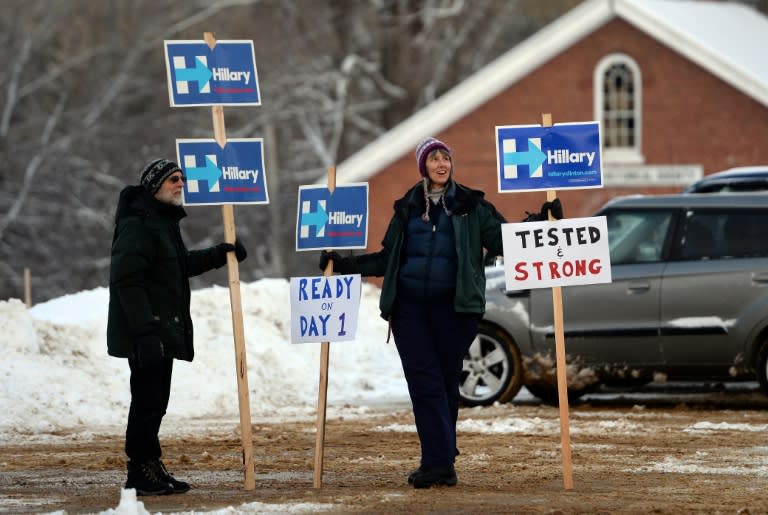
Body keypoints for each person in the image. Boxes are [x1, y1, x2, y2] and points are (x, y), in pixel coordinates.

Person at [319, 137, 561, 489]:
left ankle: (440, 462)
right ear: (424, 167)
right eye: (433, 158)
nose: (441, 163)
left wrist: (542, 221)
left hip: (455, 310)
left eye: (446, 157)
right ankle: (438, 461)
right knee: (425, 382)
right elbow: (388, 258)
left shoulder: (472, 206)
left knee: (446, 385)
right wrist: (344, 264)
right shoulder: (407, 207)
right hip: (409, 310)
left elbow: (505, 241)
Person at [107, 158, 247, 496]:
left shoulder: (161, 223)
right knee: (146, 400)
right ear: (154, 186)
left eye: (181, 179)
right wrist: (145, 331)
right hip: (147, 332)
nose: (180, 183)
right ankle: (140, 470)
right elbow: (127, 280)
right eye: (173, 179)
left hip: (158, 329)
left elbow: (177, 266)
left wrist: (220, 254)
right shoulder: (139, 224)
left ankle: (150, 464)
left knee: (156, 401)